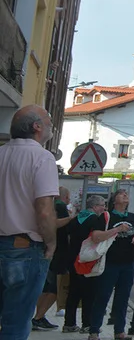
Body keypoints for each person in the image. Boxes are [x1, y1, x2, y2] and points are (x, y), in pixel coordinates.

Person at [0, 105, 60, 340]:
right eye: (48, 120)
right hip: (24, 249)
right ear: (37, 127)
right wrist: (51, 243)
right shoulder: (42, 157)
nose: (51, 125)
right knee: (16, 323)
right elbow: (44, 210)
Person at [64, 195, 132, 338]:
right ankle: (87, 324)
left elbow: (67, 235)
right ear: (95, 207)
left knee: (74, 291)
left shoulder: (77, 218)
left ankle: (69, 323)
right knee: (90, 292)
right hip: (89, 258)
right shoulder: (95, 219)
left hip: (73, 257)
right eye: (102, 205)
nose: (104, 208)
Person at [88, 189, 134, 340]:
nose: (125, 195)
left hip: (128, 262)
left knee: (123, 297)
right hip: (110, 262)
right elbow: (95, 236)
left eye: (126, 194)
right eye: (121, 194)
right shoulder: (106, 217)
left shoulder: (133, 217)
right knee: (103, 296)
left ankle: (119, 331)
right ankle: (94, 330)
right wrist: (117, 229)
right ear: (114, 200)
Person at [33, 187, 75, 330]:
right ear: (66, 197)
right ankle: (38, 317)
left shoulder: (51, 206)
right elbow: (55, 223)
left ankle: (39, 316)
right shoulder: (61, 207)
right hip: (59, 253)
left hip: (49, 250)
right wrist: (70, 219)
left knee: (46, 287)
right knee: (55, 289)